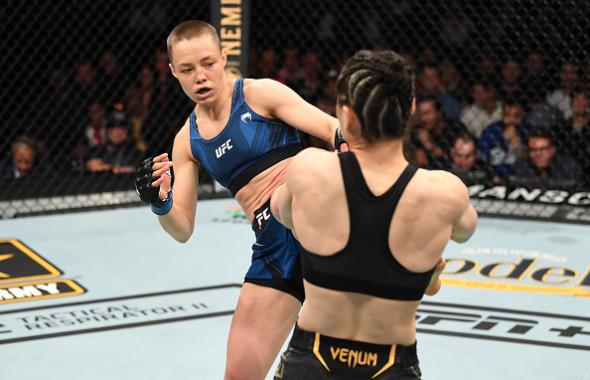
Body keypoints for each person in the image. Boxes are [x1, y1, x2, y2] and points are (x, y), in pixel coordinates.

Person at [134, 20, 340, 380]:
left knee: (310, 167)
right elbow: (181, 229)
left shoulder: (260, 94)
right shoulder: (188, 141)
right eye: (187, 69)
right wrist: (160, 204)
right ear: (173, 73)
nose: (201, 76)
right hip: (274, 248)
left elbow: (332, 130)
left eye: (208, 63)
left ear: (224, 57)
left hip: (319, 221)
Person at [270, 50, 477, 379]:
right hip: (392, 364)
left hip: (312, 359)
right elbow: (465, 230)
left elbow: (280, 212)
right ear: (410, 110)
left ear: (346, 115)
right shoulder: (444, 192)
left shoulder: (309, 170)